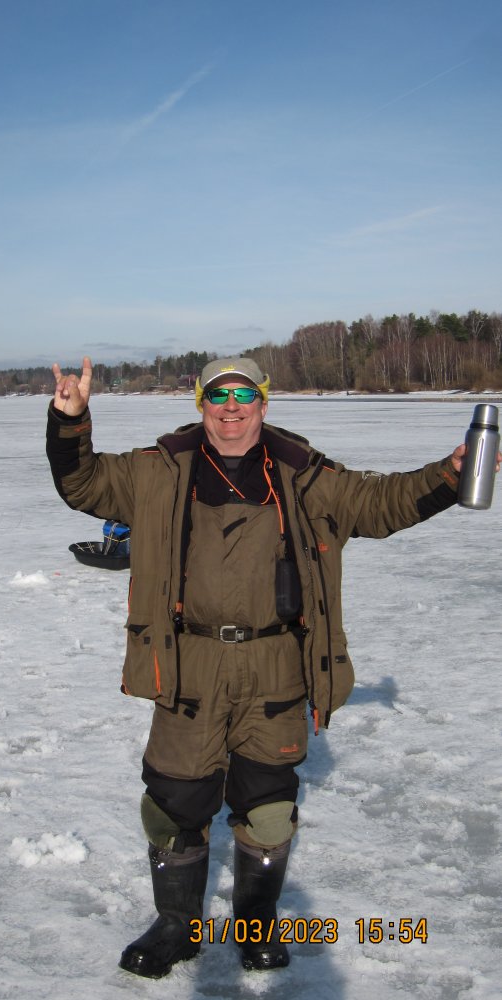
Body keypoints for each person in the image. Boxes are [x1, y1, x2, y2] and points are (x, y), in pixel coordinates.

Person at [46, 355, 499, 979]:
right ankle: (177, 925)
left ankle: (256, 923)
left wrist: (451, 474)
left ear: (263, 402)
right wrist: (70, 420)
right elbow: (82, 484)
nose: (230, 410)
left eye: (243, 396)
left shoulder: (305, 474)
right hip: (188, 661)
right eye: (217, 397)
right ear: (201, 405)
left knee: (267, 807)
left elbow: (381, 503)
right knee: (174, 802)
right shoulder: (156, 470)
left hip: (276, 662)